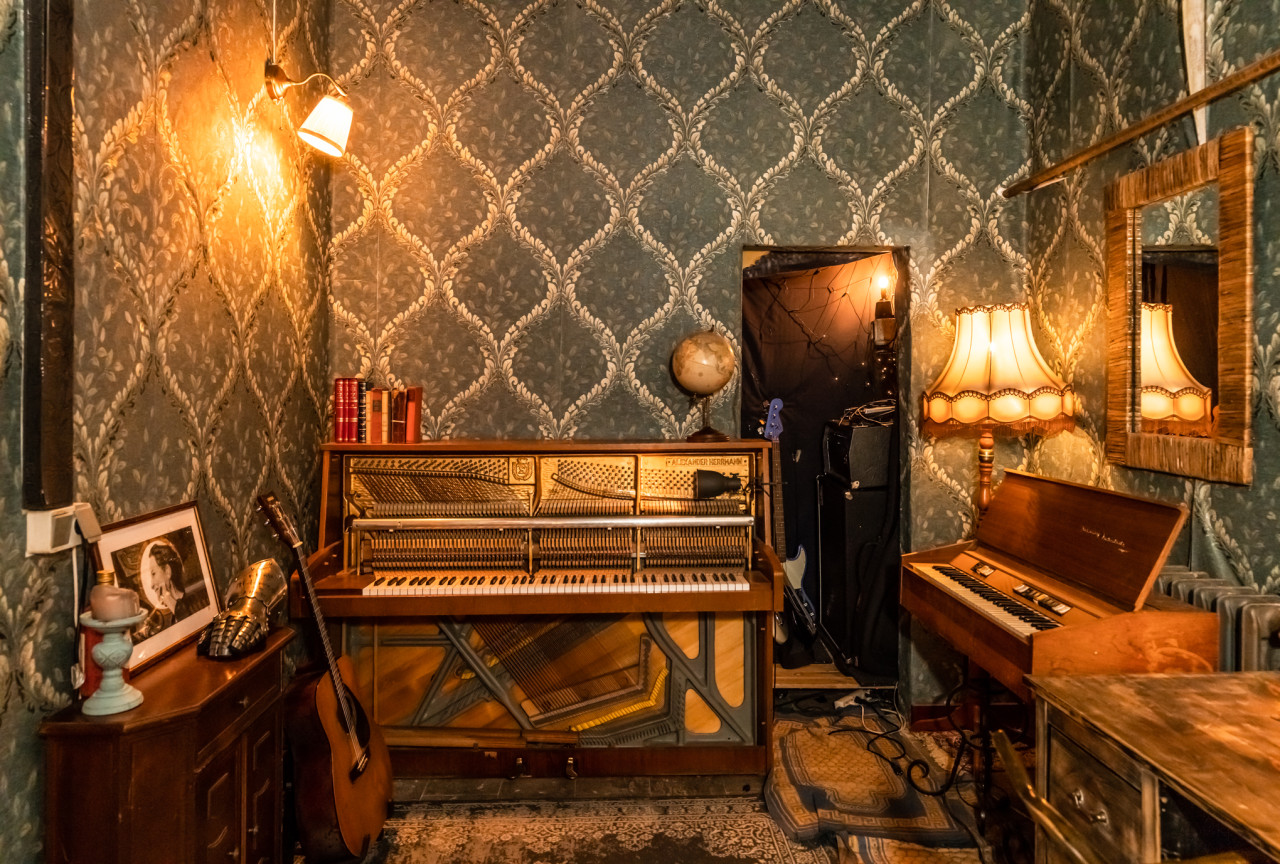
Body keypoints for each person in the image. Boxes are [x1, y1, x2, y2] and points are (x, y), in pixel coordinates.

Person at [134, 538, 209, 640]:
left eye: (153, 573)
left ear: (167, 571)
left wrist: (172, 603)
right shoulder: (171, 616)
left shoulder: (194, 603)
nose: (151, 584)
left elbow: (194, 632)